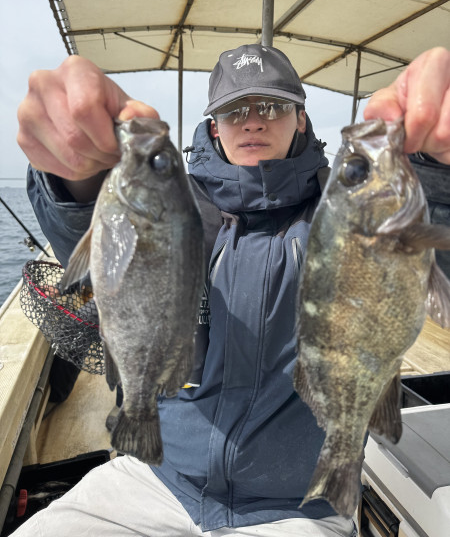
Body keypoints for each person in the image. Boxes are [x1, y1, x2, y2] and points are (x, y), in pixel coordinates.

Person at [12, 44, 450, 537]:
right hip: (156, 475)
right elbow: (100, 256)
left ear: (301, 119)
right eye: (234, 111)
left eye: (272, 106)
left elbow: (431, 247)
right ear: (215, 126)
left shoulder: (339, 211)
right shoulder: (177, 203)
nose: (253, 121)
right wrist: (74, 178)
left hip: (296, 505)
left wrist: (437, 170)